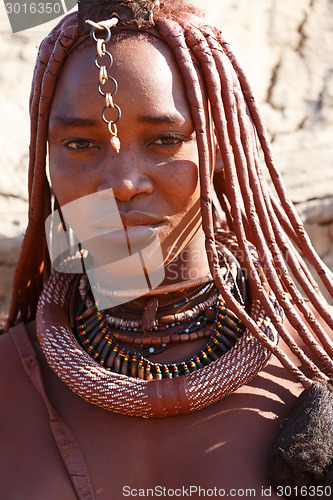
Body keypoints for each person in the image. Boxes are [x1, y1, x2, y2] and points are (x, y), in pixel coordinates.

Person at [1, 1, 333, 498]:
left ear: (222, 150)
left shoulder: (313, 361)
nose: (122, 184)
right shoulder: (11, 377)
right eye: (79, 145)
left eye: (164, 139)